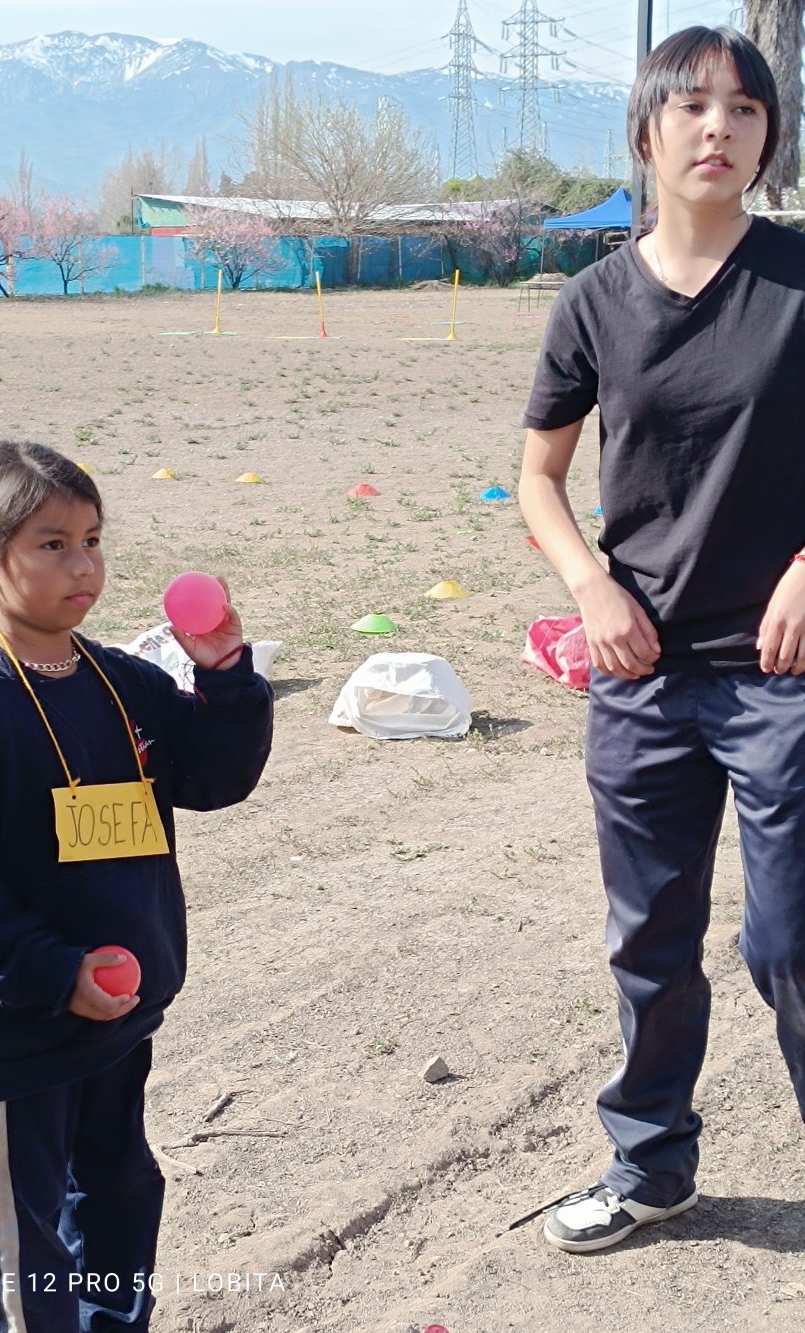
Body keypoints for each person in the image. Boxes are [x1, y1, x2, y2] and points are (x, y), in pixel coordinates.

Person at [519, 25, 805, 1253]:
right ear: (645, 132)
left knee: (789, 938)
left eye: (744, 111)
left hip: (782, 678)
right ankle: (650, 1167)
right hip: (640, 679)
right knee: (647, 937)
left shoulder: (797, 280)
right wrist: (589, 586)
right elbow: (536, 475)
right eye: (691, 106)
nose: (717, 129)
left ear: (766, 140)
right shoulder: (594, 300)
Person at [0, 439, 274, 1329]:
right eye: (52, 543)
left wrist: (223, 672)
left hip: (119, 1016)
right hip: (22, 1030)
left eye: (93, 538)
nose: (84, 564)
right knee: (28, 1242)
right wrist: (57, 973)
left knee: (117, 1195)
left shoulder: (118, 680)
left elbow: (214, 776)